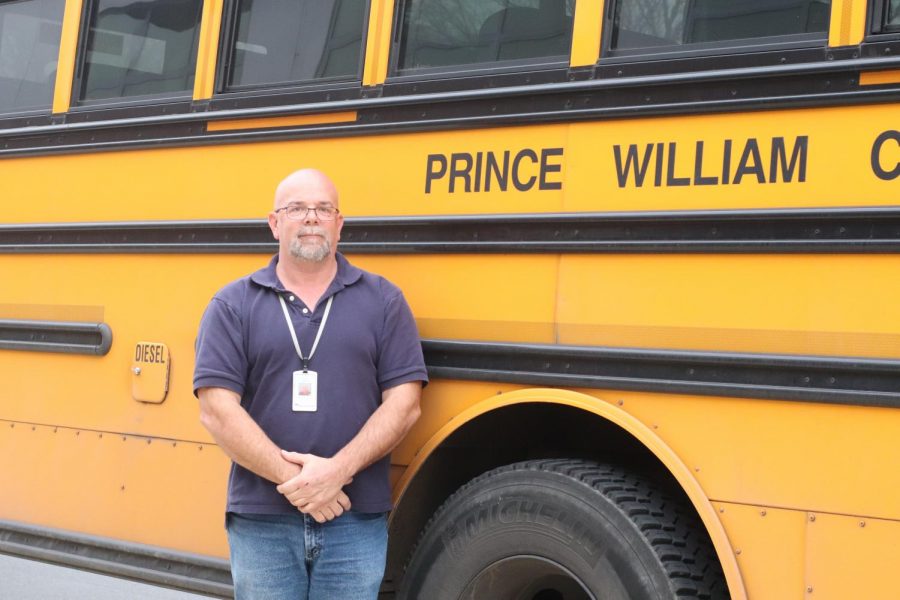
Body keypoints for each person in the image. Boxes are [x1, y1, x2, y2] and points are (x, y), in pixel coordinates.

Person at [193, 169, 427, 600]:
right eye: (297, 208)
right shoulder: (232, 304)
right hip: (263, 519)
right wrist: (301, 485)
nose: (312, 218)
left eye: (324, 208)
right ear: (274, 223)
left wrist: (336, 473)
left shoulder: (383, 300)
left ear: (340, 223)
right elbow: (216, 410)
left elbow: (406, 403)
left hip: (354, 518)